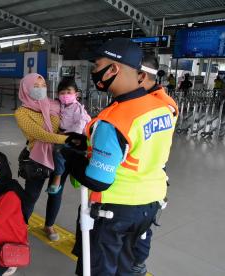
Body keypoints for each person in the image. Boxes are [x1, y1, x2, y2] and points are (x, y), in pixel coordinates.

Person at [64, 38, 175, 275]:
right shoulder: (161, 108)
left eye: (96, 67)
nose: (94, 73)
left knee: (99, 269)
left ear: (113, 69)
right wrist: (89, 143)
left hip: (114, 210)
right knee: (125, 266)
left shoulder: (114, 119)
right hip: (149, 204)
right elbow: (138, 146)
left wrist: (70, 156)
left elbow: (97, 180)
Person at [14, 73, 85, 241]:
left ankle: (49, 225)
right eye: (36, 86)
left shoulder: (54, 105)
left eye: (43, 85)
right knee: (32, 195)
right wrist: (68, 139)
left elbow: (72, 117)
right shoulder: (22, 113)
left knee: (56, 193)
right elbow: (41, 134)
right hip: (38, 158)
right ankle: (20, 225)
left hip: (60, 155)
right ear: (26, 89)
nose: (41, 89)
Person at [131, 54, 178, 275]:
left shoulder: (162, 104)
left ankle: (138, 263)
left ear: (140, 75)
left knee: (141, 227)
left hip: (147, 174)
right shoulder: (137, 97)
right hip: (134, 173)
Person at [47, 78, 91, 194]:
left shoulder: (77, 108)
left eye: (69, 92)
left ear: (76, 94)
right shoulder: (61, 105)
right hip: (64, 134)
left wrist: (66, 134)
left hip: (75, 136)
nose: (65, 95)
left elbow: (79, 125)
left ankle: (57, 177)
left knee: (58, 150)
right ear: (58, 94)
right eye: (62, 93)